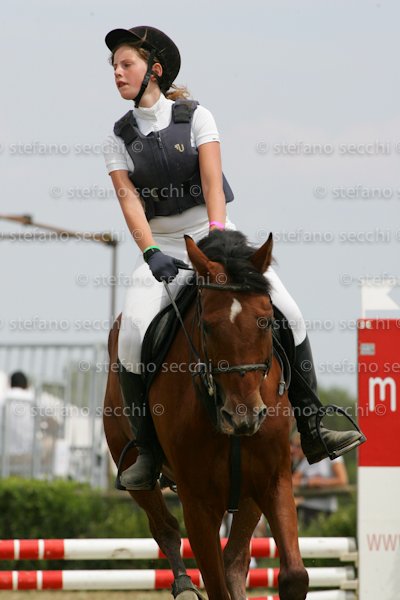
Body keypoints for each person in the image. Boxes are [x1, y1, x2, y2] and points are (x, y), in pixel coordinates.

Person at [102, 25, 365, 491]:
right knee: (131, 337)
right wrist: (149, 251)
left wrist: (218, 239)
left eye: (127, 64)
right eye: (114, 66)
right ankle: (147, 452)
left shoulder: (197, 116)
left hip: (216, 234)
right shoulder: (116, 138)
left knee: (291, 312)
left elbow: (212, 181)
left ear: (154, 70)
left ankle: (312, 424)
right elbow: (129, 203)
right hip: (162, 247)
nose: (117, 73)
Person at [291, 433, 349, 527]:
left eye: (298, 446)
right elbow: (292, 481)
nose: (293, 450)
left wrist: (321, 482)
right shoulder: (308, 459)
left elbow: (342, 480)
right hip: (307, 509)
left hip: (327, 510)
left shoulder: (332, 455)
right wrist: (307, 482)